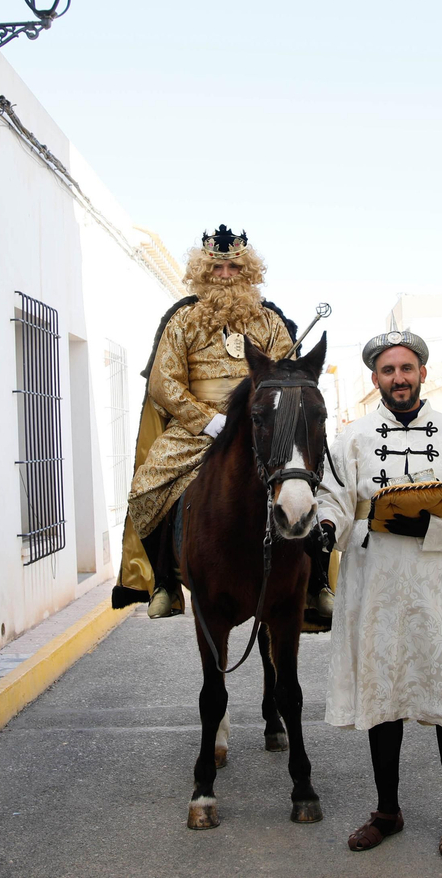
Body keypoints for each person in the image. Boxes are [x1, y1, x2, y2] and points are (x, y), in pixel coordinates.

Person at [315, 329, 442, 860]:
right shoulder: (350, 440)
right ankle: (387, 811)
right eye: (388, 370)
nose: (399, 377)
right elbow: (334, 497)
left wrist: (431, 528)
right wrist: (328, 525)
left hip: (440, 589)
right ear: (375, 378)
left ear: (423, 373)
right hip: (375, 587)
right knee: (383, 693)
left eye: (407, 368)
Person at [112, 226, 335, 626]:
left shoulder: (269, 322)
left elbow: (288, 375)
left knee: (307, 481)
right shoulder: (184, 321)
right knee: (145, 489)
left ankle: (317, 581)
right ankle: (163, 581)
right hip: (199, 428)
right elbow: (164, 383)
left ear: (247, 271)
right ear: (204, 270)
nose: (225, 273)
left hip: (262, 425)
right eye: (217, 266)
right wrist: (208, 420)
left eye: (234, 266)